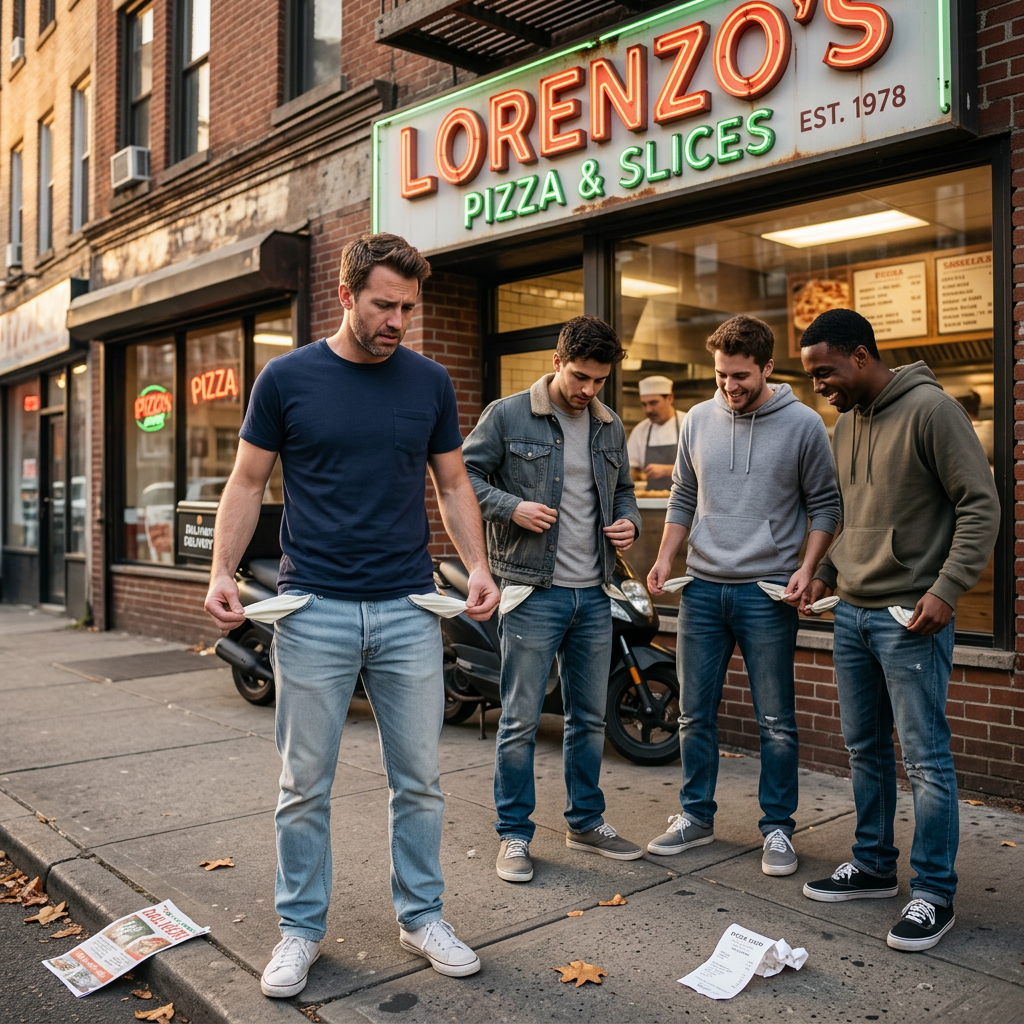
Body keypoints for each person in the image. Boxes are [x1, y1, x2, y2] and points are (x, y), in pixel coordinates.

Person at [204, 233, 500, 997]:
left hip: (406, 608)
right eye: (384, 304)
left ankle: (421, 914)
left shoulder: (430, 382)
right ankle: (300, 930)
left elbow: (454, 485)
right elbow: (246, 482)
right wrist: (221, 570)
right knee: (304, 784)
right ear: (346, 295)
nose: (398, 319)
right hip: (313, 610)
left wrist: (478, 567)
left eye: (409, 306)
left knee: (421, 779)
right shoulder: (287, 378)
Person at [799, 307, 999, 952]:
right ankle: (875, 865)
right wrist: (827, 570)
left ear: (861, 356)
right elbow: (849, 512)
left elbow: (981, 504)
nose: (819, 386)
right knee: (864, 749)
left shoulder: (933, 412)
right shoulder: (844, 424)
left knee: (926, 760)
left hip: (908, 616)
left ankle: (933, 893)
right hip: (852, 613)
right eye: (811, 376)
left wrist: (947, 588)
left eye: (825, 372)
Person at [647, 315, 840, 876]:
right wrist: (664, 558)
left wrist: (808, 568)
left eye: (741, 377)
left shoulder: (804, 425)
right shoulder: (699, 420)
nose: (730, 387)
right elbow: (683, 495)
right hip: (703, 589)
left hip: (768, 593)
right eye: (721, 376)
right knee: (693, 716)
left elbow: (826, 505)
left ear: (767, 369)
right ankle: (695, 817)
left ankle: (777, 829)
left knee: (776, 719)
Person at [463, 315, 644, 884]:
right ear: (557, 361)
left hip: (594, 594)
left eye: (599, 380)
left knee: (587, 719)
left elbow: (626, 494)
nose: (588, 390)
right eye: (580, 376)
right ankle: (515, 835)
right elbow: (459, 478)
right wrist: (510, 507)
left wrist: (629, 524)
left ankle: (585, 822)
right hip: (529, 590)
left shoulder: (609, 424)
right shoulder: (507, 415)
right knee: (519, 720)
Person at [627, 375, 685, 490]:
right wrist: (634, 474)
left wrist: (668, 470)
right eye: (644, 404)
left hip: (687, 503)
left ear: (669, 398)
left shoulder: (689, 423)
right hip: (651, 502)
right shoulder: (640, 430)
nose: (648, 410)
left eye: (653, 403)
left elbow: (703, 468)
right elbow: (630, 468)